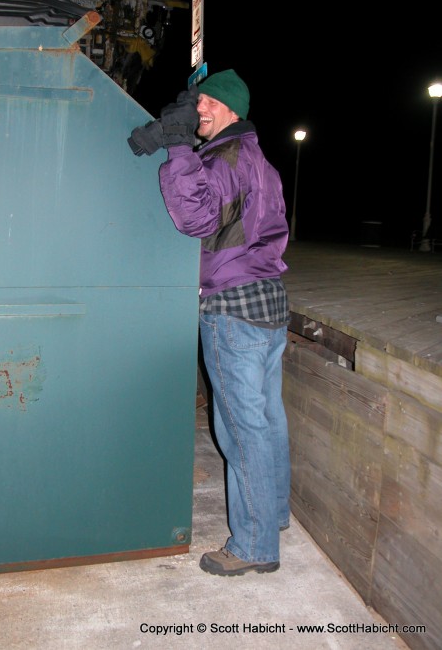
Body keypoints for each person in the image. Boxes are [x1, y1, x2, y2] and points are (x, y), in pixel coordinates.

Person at [157, 69, 291, 577]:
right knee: (267, 420)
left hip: (231, 307)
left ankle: (254, 546)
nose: (201, 110)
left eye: (211, 102)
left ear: (234, 109)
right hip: (268, 303)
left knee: (241, 429)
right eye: (199, 102)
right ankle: (273, 514)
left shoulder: (225, 157)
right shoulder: (262, 162)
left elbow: (196, 219)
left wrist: (177, 149)